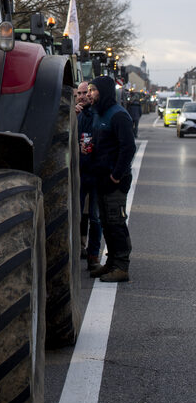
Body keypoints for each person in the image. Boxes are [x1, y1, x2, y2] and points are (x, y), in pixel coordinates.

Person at [87, 75, 136, 283]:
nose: (89, 94)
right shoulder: (98, 114)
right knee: (106, 223)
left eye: (93, 90)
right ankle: (111, 263)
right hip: (101, 179)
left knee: (116, 223)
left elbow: (128, 148)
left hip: (115, 180)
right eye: (89, 90)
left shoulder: (119, 115)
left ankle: (122, 267)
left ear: (104, 92)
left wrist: (116, 175)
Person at [76, 81, 102, 270]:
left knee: (95, 217)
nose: (82, 96)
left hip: (96, 174)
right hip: (79, 173)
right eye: (79, 93)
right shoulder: (75, 115)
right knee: (76, 214)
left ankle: (93, 256)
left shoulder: (97, 115)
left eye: (86, 92)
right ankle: (78, 248)